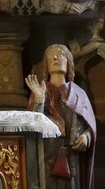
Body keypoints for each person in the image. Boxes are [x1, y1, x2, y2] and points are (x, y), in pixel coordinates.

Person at [26, 44, 96, 189]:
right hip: (46, 155)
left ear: (69, 63)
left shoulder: (79, 93)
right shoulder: (40, 91)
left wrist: (87, 137)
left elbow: (89, 125)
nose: (56, 57)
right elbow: (32, 126)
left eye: (61, 54)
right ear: (46, 64)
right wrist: (39, 99)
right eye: (51, 56)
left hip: (72, 156)